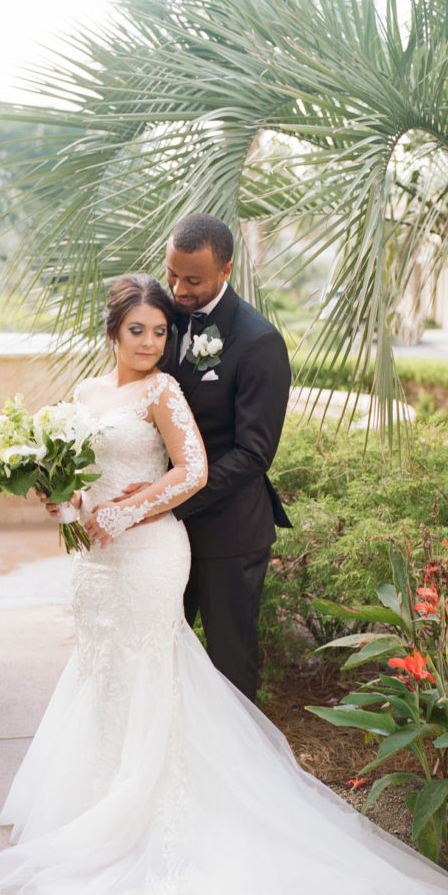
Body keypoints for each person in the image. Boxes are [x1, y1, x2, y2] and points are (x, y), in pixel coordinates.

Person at [0, 272, 448, 895]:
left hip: (149, 551)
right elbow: (79, 474)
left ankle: (151, 812)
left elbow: (195, 471)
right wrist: (62, 502)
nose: (151, 341)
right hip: (95, 564)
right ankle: (99, 799)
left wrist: (132, 514)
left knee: (155, 667)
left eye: (159, 331)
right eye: (137, 330)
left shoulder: (164, 390)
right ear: (112, 330)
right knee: (103, 668)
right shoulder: (87, 393)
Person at [165, 213, 291, 702]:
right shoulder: (161, 317)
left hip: (228, 532)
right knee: (156, 651)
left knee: (228, 665)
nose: (178, 288)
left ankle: (241, 771)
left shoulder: (259, 342)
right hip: (162, 533)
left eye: (192, 280)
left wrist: (172, 498)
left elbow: (253, 453)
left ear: (226, 271)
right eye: (172, 273)